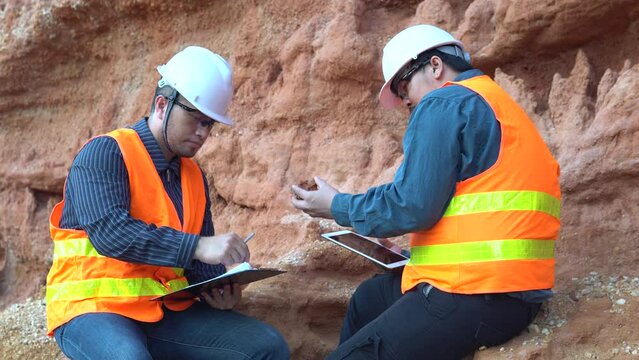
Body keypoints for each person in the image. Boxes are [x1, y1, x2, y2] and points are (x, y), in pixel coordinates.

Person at [291, 24, 560, 360]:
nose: (404, 100)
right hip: (516, 296)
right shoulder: (494, 101)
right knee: (369, 298)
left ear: (435, 66)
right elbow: (476, 206)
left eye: (403, 86)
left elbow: (412, 205)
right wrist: (418, 253)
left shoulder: (444, 102)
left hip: (473, 296)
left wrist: (336, 206)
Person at [46, 46, 290, 360]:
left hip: (164, 310)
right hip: (92, 309)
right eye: (196, 119)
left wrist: (219, 285)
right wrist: (200, 246)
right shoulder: (105, 153)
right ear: (163, 104)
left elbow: (193, 264)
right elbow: (111, 234)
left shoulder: (193, 176)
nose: (203, 132)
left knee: (266, 346)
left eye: (209, 124)